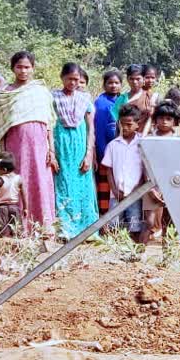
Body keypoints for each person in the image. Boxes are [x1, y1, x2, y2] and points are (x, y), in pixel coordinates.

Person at [0, 51, 57, 235]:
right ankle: (17, 228)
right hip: (15, 145)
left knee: (40, 181)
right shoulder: (6, 94)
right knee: (15, 182)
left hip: (39, 145)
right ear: (13, 68)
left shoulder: (40, 91)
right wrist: (3, 152)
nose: (23, 71)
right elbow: (2, 126)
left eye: (27, 67)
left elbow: (48, 123)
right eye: (19, 67)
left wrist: (51, 150)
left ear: (33, 68)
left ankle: (43, 227)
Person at [51, 62, 98, 240]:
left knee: (82, 185)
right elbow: (49, 124)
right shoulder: (53, 97)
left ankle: (86, 229)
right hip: (61, 144)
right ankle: (65, 228)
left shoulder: (84, 98)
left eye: (76, 80)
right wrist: (52, 152)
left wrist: (88, 154)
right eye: (69, 79)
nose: (73, 83)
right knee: (62, 183)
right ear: (62, 77)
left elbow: (90, 129)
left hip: (80, 145)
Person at [101, 104, 144, 241]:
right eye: (122, 124)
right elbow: (108, 169)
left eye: (129, 124)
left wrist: (137, 189)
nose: (125, 127)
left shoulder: (143, 143)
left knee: (134, 225)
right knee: (114, 224)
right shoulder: (113, 145)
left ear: (138, 124)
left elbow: (146, 170)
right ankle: (116, 251)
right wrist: (114, 189)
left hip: (135, 192)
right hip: (116, 193)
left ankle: (132, 253)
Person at [141, 101, 180, 242]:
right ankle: (139, 254)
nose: (164, 122)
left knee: (170, 223)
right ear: (155, 119)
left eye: (168, 119)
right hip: (151, 185)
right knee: (150, 223)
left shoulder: (178, 141)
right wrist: (151, 188)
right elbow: (144, 164)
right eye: (161, 118)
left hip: (173, 186)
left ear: (175, 121)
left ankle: (168, 256)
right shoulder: (149, 139)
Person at [94, 70, 122, 215]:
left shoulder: (123, 101)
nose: (113, 86)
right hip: (105, 151)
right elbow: (98, 131)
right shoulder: (101, 104)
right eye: (110, 83)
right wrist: (102, 154)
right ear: (104, 85)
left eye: (116, 83)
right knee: (105, 187)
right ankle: (104, 219)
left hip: (122, 151)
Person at [0, 152, 27, 237]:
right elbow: (24, 194)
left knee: (3, 231)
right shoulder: (19, 179)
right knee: (17, 230)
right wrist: (25, 208)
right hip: (15, 208)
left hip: (1, 209)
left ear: (4, 169)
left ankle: (5, 245)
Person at [111, 64, 153, 134]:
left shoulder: (150, 97)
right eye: (131, 79)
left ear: (143, 79)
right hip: (126, 138)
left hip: (145, 138)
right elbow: (117, 122)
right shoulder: (122, 99)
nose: (134, 82)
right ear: (127, 79)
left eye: (138, 79)